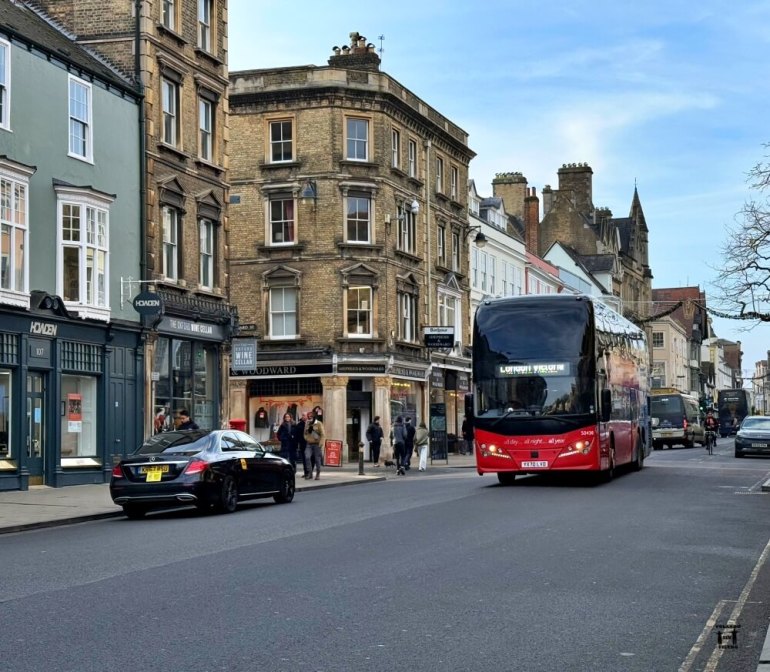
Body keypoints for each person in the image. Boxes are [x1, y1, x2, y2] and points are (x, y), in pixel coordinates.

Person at [304, 408, 325, 480]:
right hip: (309, 444)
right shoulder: (307, 423)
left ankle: (318, 474)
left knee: (317, 459)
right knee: (307, 457)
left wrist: (321, 443)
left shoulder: (318, 423)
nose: (310, 417)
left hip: (317, 444)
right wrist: (306, 438)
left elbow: (322, 434)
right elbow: (305, 433)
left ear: (314, 417)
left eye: (311, 416)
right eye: (309, 416)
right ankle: (310, 473)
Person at [294, 412, 309, 478]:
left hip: (310, 444)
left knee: (308, 458)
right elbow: (296, 434)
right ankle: (306, 472)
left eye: (304, 415)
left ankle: (309, 472)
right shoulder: (299, 424)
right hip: (302, 443)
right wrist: (296, 443)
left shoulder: (311, 423)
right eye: (302, 415)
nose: (303, 416)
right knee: (304, 458)